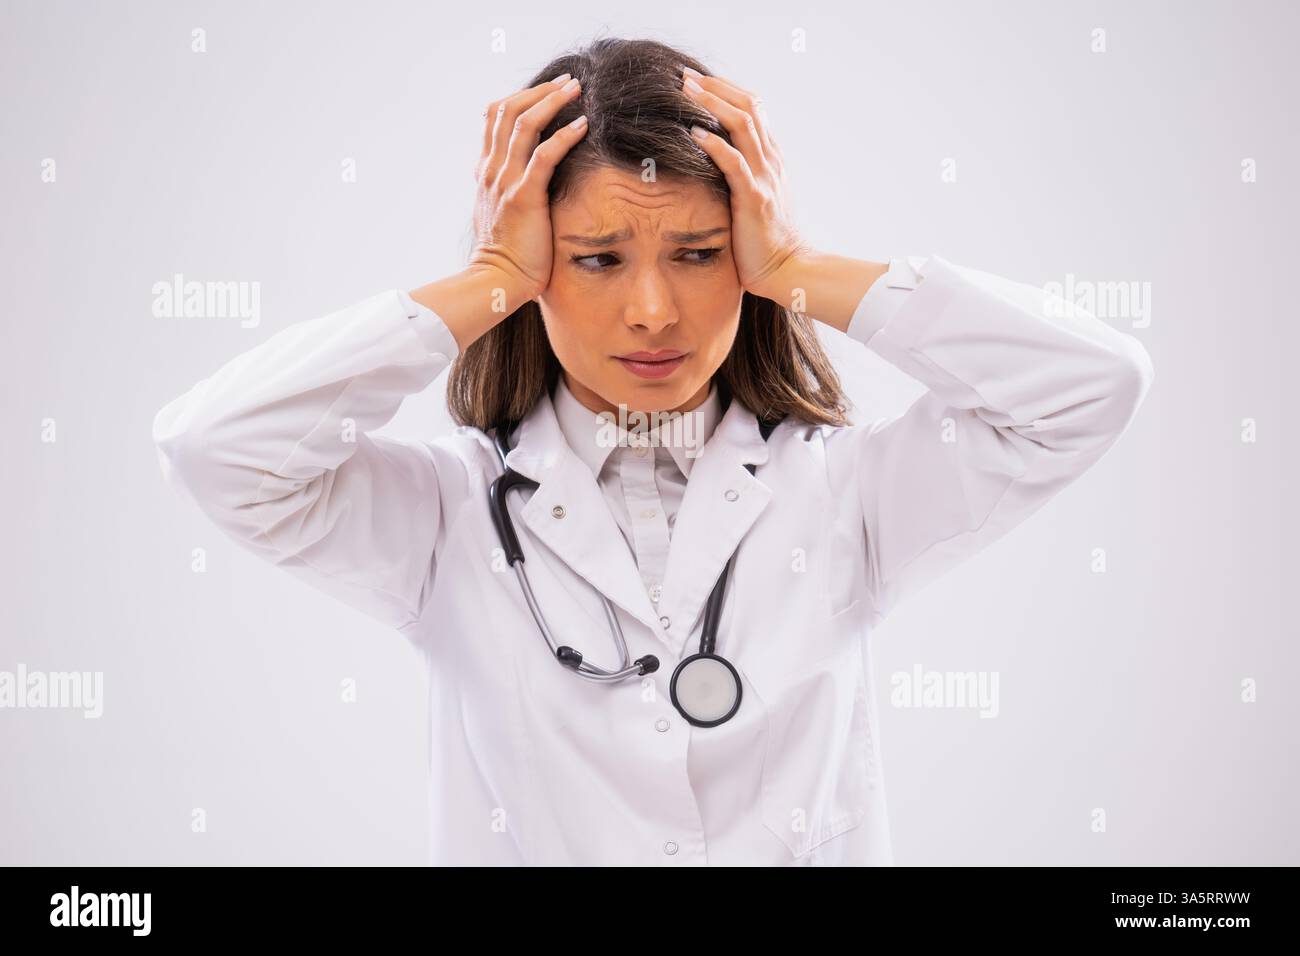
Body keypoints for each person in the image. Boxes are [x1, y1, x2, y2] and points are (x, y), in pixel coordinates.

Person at [152, 37, 1154, 866]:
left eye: (699, 252)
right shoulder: (446, 516)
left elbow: (1090, 385)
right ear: (533, 267)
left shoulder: (844, 493)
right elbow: (214, 447)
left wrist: (802, 270)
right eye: (595, 259)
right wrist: (485, 279)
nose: (651, 310)